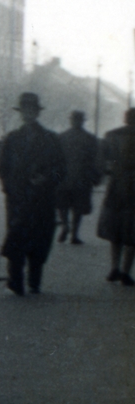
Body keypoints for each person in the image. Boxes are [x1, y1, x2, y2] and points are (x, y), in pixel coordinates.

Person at [0, 91, 66, 294]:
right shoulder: (12, 139)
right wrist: (9, 187)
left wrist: (46, 178)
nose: (28, 114)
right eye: (25, 110)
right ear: (21, 113)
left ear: (37, 112)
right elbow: (2, 167)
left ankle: (34, 280)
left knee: (40, 238)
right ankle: (15, 280)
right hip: (18, 198)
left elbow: (61, 169)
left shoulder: (51, 139)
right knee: (16, 237)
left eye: (32, 110)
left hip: (42, 197)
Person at [96, 108, 135, 286]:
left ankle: (114, 268)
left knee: (115, 230)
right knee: (132, 234)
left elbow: (101, 161)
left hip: (116, 188)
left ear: (125, 118)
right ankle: (126, 272)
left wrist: (107, 172)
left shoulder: (111, 135)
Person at [55, 110, 103, 246]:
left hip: (65, 178)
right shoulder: (90, 138)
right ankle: (74, 234)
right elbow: (97, 159)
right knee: (78, 208)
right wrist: (97, 176)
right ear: (83, 121)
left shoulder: (62, 137)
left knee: (63, 205)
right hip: (82, 179)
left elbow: (55, 159)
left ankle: (66, 225)